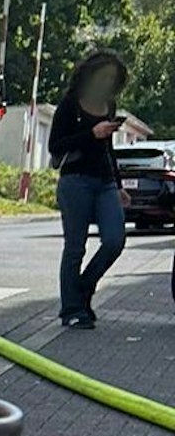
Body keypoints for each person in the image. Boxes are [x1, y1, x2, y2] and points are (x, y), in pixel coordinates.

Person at [50, 50, 130, 329]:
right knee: (75, 247)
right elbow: (55, 146)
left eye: (113, 78)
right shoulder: (71, 104)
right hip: (75, 181)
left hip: (105, 183)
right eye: (103, 76)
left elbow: (109, 149)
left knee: (114, 240)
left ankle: (83, 287)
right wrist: (90, 134)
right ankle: (72, 310)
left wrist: (118, 185)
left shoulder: (109, 104)